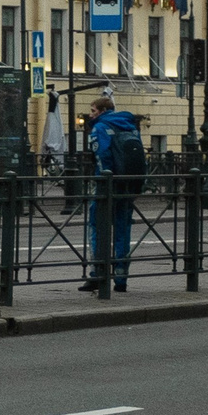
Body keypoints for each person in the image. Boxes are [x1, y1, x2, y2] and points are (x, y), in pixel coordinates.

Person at [81, 91, 142, 291]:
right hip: (128, 184)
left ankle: (98, 274)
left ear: (103, 111)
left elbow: (102, 156)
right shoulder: (131, 126)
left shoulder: (100, 127)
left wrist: (104, 179)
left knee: (97, 227)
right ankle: (121, 278)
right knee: (123, 229)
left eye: (93, 111)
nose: (90, 115)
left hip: (106, 185)